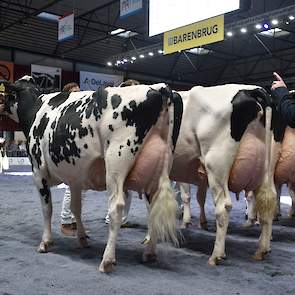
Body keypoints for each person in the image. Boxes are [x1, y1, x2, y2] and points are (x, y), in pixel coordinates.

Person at [59, 82, 86, 236]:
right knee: (71, 189)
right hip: (69, 154)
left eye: (79, 91)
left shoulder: (78, 112)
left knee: (82, 190)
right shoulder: (64, 112)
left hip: (80, 153)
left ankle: (76, 221)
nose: (78, 94)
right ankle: (65, 222)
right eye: (75, 92)